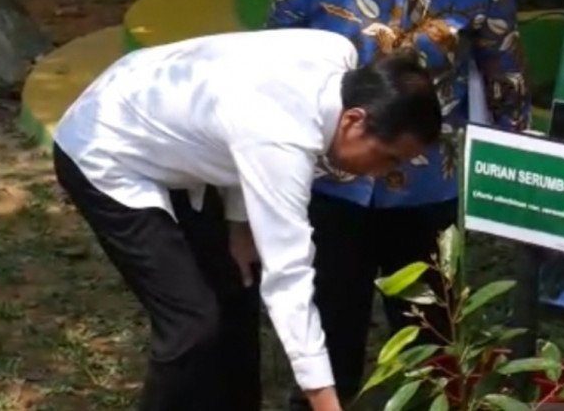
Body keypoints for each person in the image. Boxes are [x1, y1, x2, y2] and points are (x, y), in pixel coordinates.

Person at [52, 28, 442, 411]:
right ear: (354, 121)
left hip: (168, 129)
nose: (384, 174)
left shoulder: (334, 52)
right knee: (190, 326)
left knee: (235, 288)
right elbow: (289, 277)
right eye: (389, 157)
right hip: (105, 144)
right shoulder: (283, 139)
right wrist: (325, 401)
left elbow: (242, 107)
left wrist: (240, 226)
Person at [268, 0, 532, 407]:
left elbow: (502, 64)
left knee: (431, 324)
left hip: (426, 179)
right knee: (329, 309)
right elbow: (278, 38)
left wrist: (514, 147)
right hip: (332, 170)